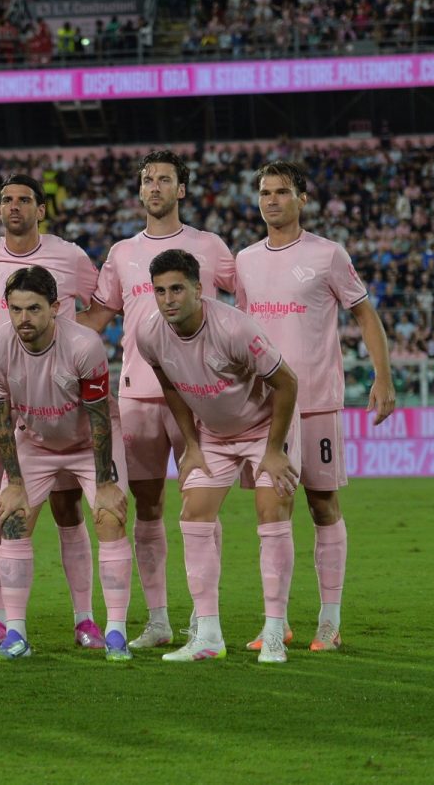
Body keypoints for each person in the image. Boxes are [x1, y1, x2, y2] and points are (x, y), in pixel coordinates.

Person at [78, 150, 236, 649]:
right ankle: (160, 619)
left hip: (200, 397)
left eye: (164, 179)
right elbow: (95, 322)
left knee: (201, 505)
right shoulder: (122, 254)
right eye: (147, 179)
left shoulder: (210, 247)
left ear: (181, 190)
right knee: (146, 508)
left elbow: (248, 299)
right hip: (140, 397)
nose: (154, 187)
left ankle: (204, 619)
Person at [235, 160, 395, 653]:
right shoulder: (244, 260)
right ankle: (275, 622)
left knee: (322, 504)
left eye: (281, 191)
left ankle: (329, 619)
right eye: (264, 192)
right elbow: (239, 331)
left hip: (318, 402)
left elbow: (364, 314)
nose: (271, 200)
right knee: (272, 510)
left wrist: (382, 376)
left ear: (302, 199)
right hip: (265, 406)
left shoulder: (327, 255)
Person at [0, 173, 109, 651]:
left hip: (61, 403)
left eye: (24, 199)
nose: (14, 206)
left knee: (68, 509)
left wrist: (72, 340)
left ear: (42, 209)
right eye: (6, 200)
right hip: (9, 401)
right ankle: (1, 619)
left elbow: (103, 304)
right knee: (4, 511)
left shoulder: (70, 256)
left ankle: (84, 619)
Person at [136, 249, 300, 664]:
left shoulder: (234, 328)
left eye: (177, 288)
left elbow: (287, 383)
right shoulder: (149, 333)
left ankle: (275, 631)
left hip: (264, 431)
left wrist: (275, 450)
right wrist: (190, 444)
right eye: (160, 291)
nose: (168, 298)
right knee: (193, 515)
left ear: (198, 288)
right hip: (213, 436)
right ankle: (208, 635)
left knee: (271, 512)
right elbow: (170, 386)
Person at [0, 266, 133, 662]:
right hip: (36, 441)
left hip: (88, 443)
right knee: (12, 519)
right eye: (15, 310)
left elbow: (98, 417)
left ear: (56, 307)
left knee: (109, 517)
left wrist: (106, 482)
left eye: (33, 309)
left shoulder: (84, 345)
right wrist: (12, 481)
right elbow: (0, 420)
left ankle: (115, 632)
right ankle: (16, 636)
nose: (23, 319)